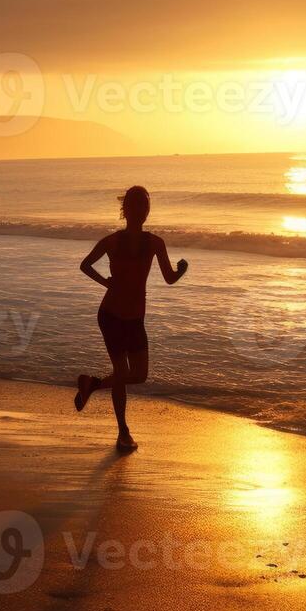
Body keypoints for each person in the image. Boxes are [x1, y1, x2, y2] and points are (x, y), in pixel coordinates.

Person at [73, 185, 188, 450]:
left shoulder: (155, 243)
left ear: (147, 211)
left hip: (135, 318)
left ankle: (93, 384)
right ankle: (123, 432)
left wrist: (181, 271)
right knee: (123, 373)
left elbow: (169, 278)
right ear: (125, 210)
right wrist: (106, 284)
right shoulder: (112, 241)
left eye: (144, 207)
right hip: (111, 315)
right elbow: (85, 265)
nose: (141, 211)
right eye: (136, 206)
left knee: (139, 374)